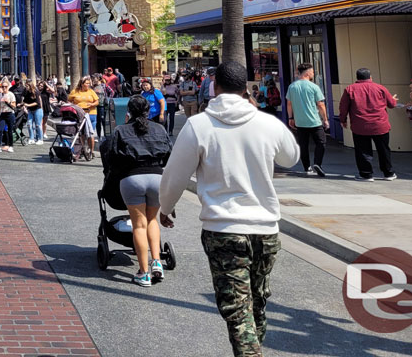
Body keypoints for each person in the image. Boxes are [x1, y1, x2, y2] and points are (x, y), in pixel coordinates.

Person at [159, 61, 300, 357]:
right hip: (265, 229)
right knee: (256, 302)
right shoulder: (267, 123)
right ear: (246, 88)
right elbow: (291, 157)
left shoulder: (199, 125)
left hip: (223, 229)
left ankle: (250, 352)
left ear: (215, 87)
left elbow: (175, 175)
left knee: (238, 309)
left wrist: (165, 207)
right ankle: (252, 348)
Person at [109, 95, 172, 286]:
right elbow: (169, 154)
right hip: (157, 177)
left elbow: (113, 157)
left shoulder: (121, 130)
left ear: (129, 111)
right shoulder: (159, 129)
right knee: (152, 220)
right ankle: (157, 263)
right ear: (148, 110)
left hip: (132, 178)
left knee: (139, 225)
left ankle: (144, 273)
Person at [338, 68, 398, 182]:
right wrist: (394, 100)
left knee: (363, 151)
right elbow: (391, 104)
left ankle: (366, 174)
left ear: (357, 77)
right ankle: (388, 173)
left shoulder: (350, 89)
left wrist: (343, 120)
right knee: (384, 149)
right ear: (370, 77)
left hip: (360, 125)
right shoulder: (380, 88)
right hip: (380, 125)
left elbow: (343, 107)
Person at [285, 63, 329, 177]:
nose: (313, 73)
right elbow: (320, 104)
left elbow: (289, 103)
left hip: (300, 122)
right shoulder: (314, 87)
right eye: (313, 71)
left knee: (303, 145)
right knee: (321, 142)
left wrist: (291, 117)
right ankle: (317, 163)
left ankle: (307, 167)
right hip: (314, 121)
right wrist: (325, 119)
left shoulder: (292, 87)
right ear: (308, 73)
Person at [68, 76, 99, 154]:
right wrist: (74, 106)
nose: (88, 85)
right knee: (81, 133)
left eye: (89, 83)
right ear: (81, 84)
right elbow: (69, 101)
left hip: (91, 114)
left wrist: (92, 104)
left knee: (90, 133)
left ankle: (91, 151)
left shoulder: (91, 91)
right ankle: (83, 149)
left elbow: (97, 102)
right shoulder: (75, 91)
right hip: (79, 114)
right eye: (86, 83)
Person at [0, 80, 18, 153]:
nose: (4, 88)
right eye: (2, 86)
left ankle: (11, 146)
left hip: (10, 113)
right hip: (3, 114)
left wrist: (8, 102)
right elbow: (0, 106)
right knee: (0, 129)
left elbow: (14, 105)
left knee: (10, 130)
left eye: (5, 86)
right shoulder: (0, 95)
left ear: (8, 87)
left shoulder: (11, 94)